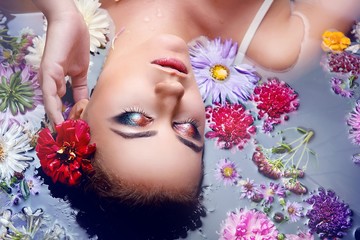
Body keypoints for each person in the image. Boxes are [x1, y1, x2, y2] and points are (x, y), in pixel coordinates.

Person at [31, 0, 359, 205]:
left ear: (80, 113)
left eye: (136, 119)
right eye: (187, 129)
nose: (173, 95)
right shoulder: (280, 45)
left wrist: (59, 10)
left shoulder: (63, 10)